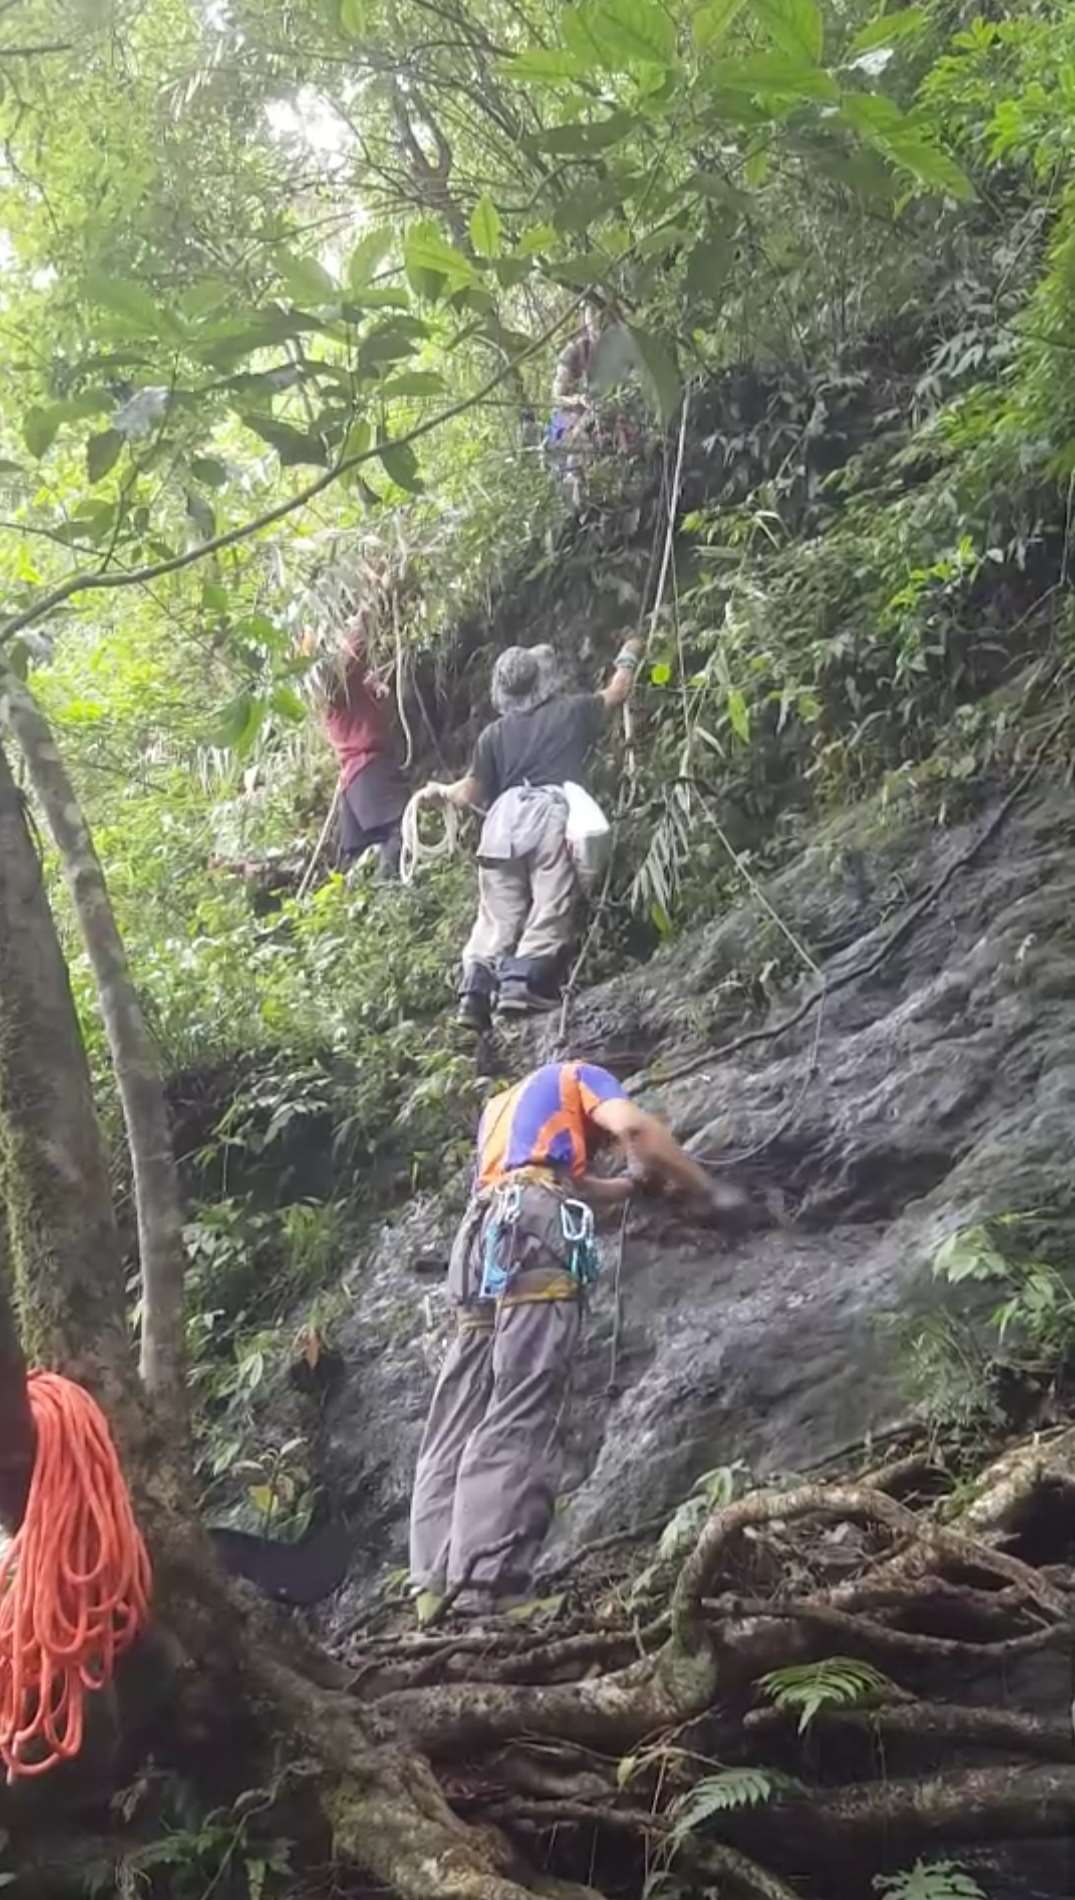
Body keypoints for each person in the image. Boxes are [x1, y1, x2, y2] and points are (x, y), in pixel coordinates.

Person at [407, 1058, 736, 1624]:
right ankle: (489, 1588)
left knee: (458, 1413)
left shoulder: (504, 1109)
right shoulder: (579, 1075)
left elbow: (574, 1181)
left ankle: (434, 1589)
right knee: (522, 1400)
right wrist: (706, 1189)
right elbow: (637, 1130)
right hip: (532, 1227)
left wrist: (631, 1186)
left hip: (480, 1235)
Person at [417, 635, 644, 1029]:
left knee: (497, 915)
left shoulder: (493, 735)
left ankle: (474, 995)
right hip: (548, 814)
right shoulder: (571, 711)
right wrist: (629, 652)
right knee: (549, 904)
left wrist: (439, 792)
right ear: (542, 680)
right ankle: (520, 986)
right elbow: (617, 692)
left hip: (501, 822)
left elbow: (469, 790)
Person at [307, 629, 409, 881]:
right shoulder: (339, 688)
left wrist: (375, 688)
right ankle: (391, 894)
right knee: (400, 830)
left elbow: (359, 676)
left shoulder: (342, 696)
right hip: (369, 771)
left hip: (356, 781)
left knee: (362, 855)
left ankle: (373, 902)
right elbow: (355, 656)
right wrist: (362, 619)